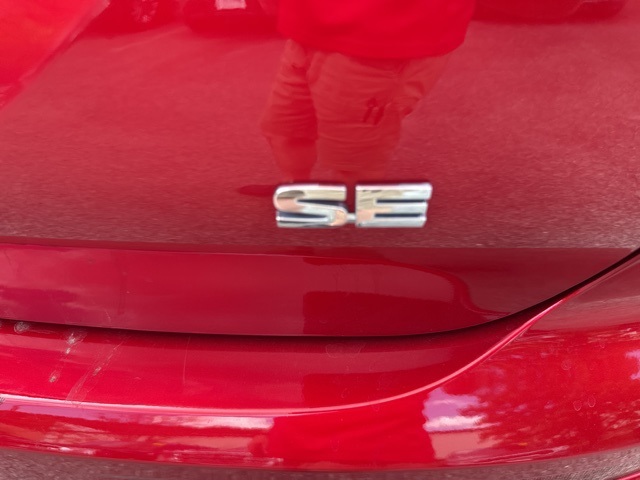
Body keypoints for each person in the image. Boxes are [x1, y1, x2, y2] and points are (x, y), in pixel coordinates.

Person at [260, 0, 476, 186]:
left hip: (378, 35)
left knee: (353, 161)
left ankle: (356, 216)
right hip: (309, 24)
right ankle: (299, 191)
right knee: (285, 131)